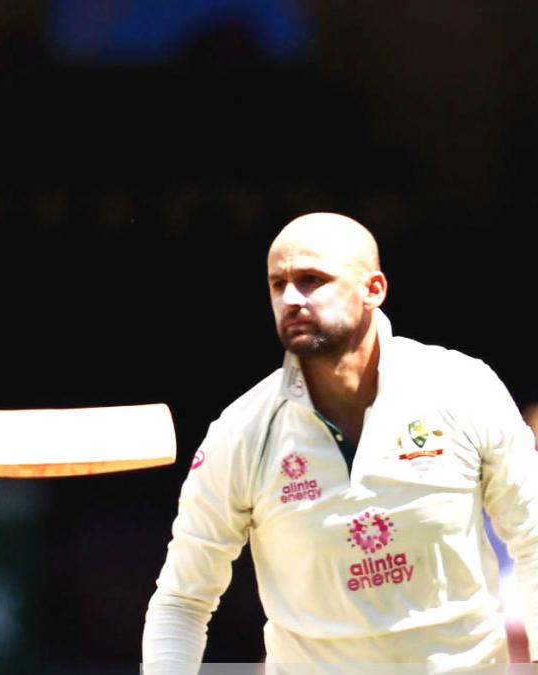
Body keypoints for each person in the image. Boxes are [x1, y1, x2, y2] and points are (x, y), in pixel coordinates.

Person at [142, 213, 538, 672]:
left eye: (312, 280)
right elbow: (182, 601)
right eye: (278, 284)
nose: (291, 298)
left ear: (374, 289)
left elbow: (532, 539)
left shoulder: (462, 388)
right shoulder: (242, 431)